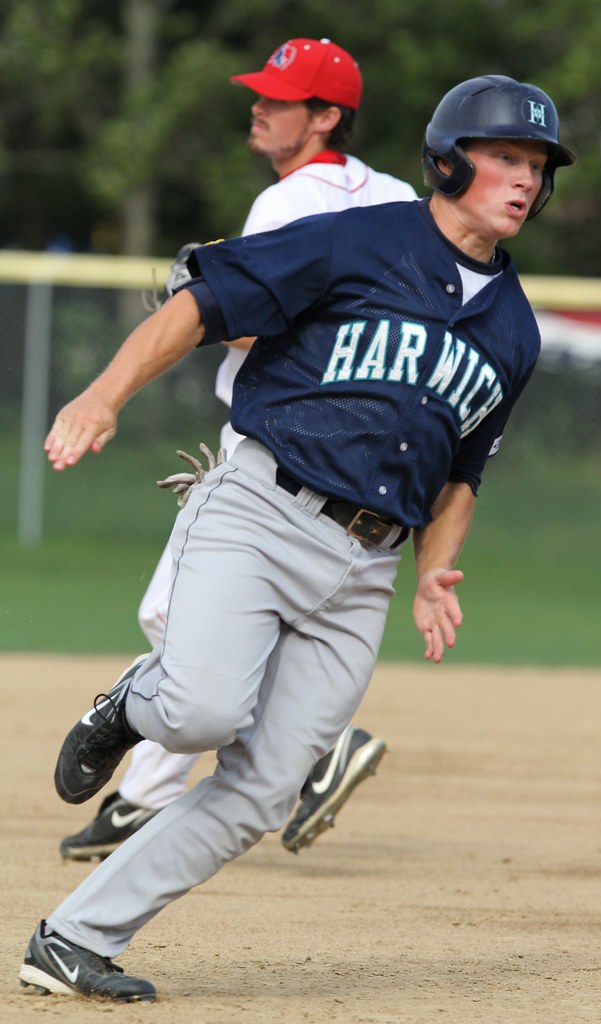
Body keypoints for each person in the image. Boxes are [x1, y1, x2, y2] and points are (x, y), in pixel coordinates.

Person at [19, 73, 575, 1002]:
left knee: (264, 791)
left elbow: (460, 472)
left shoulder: (513, 329)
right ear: (448, 160)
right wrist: (102, 395)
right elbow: (203, 303)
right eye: (506, 157)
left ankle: (72, 938)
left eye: (538, 166)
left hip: (366, 570)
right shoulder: (356, 239)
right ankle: (127, 705)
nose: (525, 179)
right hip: (261, 508)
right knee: (198, 713)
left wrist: (433, 572)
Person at [58, 37, 418, 864]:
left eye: (279, 99)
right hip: (356, 452)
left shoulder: (286, 204)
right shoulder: (396, 195)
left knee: (174, 618)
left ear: (324, 117)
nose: (258, 107)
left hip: (269, 444)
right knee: (193, 620)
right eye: (261, 93)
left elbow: (255, 323)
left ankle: (318, 751)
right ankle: (144, 800)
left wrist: (196, 305)